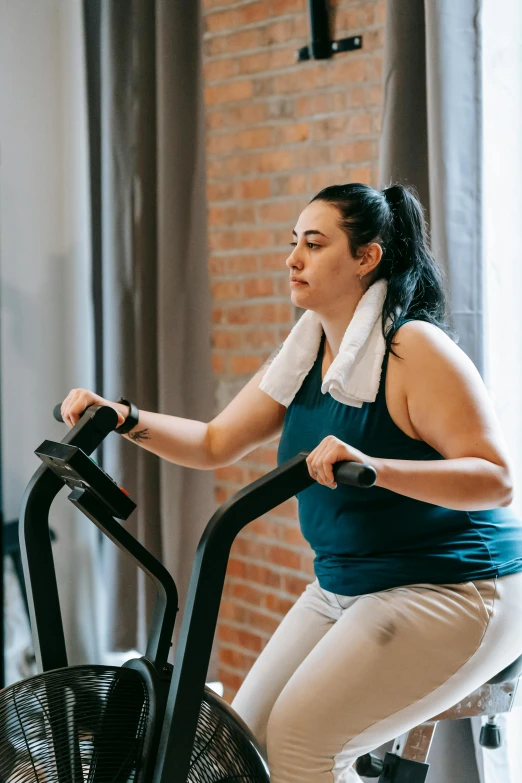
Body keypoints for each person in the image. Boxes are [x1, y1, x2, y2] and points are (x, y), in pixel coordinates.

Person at [61, 182, 522, 783]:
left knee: (301, 747)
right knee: (240, 747)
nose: (292, 258)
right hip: (347, 583)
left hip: (458, 587)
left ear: (366, 258)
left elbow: (496, 480)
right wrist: (122, 417)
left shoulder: (413, 349)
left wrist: (378, 469)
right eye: (292, 243)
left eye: (314, 243)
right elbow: (213, 443)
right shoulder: (308, 355)